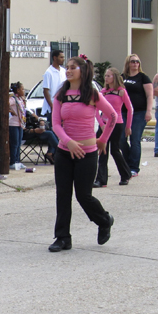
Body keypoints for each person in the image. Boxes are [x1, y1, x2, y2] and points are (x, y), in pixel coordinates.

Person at [49, 57, 117, 252]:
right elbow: (55, 124)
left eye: (72, 68)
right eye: (67, 68)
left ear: (82, 70)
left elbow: (112, 116)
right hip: (64, 152)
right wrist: (68, 141)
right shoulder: (60, 94)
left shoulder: (92, 93)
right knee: (62, 195)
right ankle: (62, 237)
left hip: (87, 154)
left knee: (83, 195)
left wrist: (103, 139)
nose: (68, 71)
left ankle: (104, 220)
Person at [94, 68, 132, 187]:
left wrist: (128, 126)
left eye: (109, 76)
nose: (106, 78)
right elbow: (96, 109)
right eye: (105, 75)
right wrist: (101, 124)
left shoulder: (121, 91)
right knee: (102, 151)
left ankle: (125, 174)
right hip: (104, 123)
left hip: (117, 123)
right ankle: (101, 180)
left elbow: (130, 109)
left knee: (115, 150)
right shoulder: (103, 92)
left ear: (114, 77)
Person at [119, 54, 154, 176]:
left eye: (137, 61)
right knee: (121, 139)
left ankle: (134, 167)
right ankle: (127, 163)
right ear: (128, 63)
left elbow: (150, 95)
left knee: (135, 139)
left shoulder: (143, 77)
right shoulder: (122, 77)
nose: (135, 64)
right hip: (123, 112)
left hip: (139, 112)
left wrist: (149, 111)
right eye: (132, 61)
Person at [41, 49, 66, 123]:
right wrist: (52, 106)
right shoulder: (49, 72)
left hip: (62, 105)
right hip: (53, 107)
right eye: (61, 57)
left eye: (63, 57)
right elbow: (45, 90)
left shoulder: (63, 71)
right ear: (55, 58)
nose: (63, 59)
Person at [8, 83, 27, 170]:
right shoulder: (13, 98)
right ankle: (13, 161)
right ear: (18, 90)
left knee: (19, 143)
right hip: (13, 124)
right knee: (14, 144)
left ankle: (18, 161)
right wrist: (11, 110)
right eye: (22, 89)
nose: (24, 91)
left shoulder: (20, 99)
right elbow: (6, 104)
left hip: (20, 123)